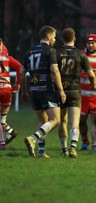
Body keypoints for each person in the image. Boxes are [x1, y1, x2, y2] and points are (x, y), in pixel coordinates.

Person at [22, 25, 66, 158]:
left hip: (34, 90)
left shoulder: (29, 51)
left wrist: (24, 91)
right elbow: (54, 70)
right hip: (46, 90)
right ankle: (33, 138)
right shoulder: (50, 51)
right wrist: (61, 91)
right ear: (48, 36)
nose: (55, 39)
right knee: (56, 120)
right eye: (54, 36)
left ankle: (41, 151)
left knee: (43, 122)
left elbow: (21, 72)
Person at [57, 28, 96, 158]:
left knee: (62, 121)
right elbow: (91, 75)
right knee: (74, 121)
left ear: (62, 39)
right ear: (74, 39)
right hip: (74, 91)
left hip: (60, 91)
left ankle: (64, 149)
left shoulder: (57, 53)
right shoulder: (81, 54)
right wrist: (93, 84)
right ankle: (73, 147)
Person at [0, 38, 21, 148]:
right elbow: (19, 66)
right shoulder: (7, 57)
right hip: (7, 90)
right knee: (2, 120)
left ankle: (1, 143)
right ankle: (10, 132)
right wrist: (18, 83)